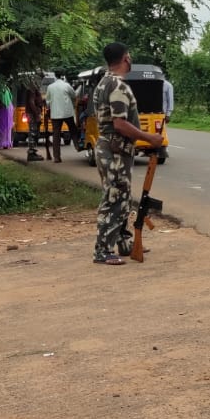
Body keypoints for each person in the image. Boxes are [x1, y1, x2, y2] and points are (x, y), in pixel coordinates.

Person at [92, 42, 165, 265]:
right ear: (126, 58)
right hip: (114, 151)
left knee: (121, 197)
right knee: (114, 199)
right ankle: (103, 251)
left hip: (112, 149)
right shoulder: (118, 86)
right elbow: (120, 124)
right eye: (129, 56)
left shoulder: (104, 82)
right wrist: (149, 137)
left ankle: (123, 242)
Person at [44, 74, 79, 163]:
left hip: (55, 114)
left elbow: (47, 101)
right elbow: (74, 95)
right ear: (63, 77)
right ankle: (77, 145)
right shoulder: (66, 85)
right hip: (67, 113)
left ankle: (56, 157)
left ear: (55, 77)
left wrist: (49, 108)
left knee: (56, 135)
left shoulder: (50, 87)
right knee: (73, 129)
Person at [24, 84, 47, 161]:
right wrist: (36, 114)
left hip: (34, 113)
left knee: (35, 133)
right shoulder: (32, 89)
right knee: (33, 133)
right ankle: (31, 153)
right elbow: (31, 102)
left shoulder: (34, 89)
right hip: (32, 114)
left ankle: (33, 152)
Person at [0, 81, 14, 150]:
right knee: (7, 128)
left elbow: (2, 104)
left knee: (2, 128)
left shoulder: (1, 92)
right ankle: (7, 144)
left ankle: (0, 144)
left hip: (4, 111)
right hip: (9, 108)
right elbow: (8, 100)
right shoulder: (6, 89)